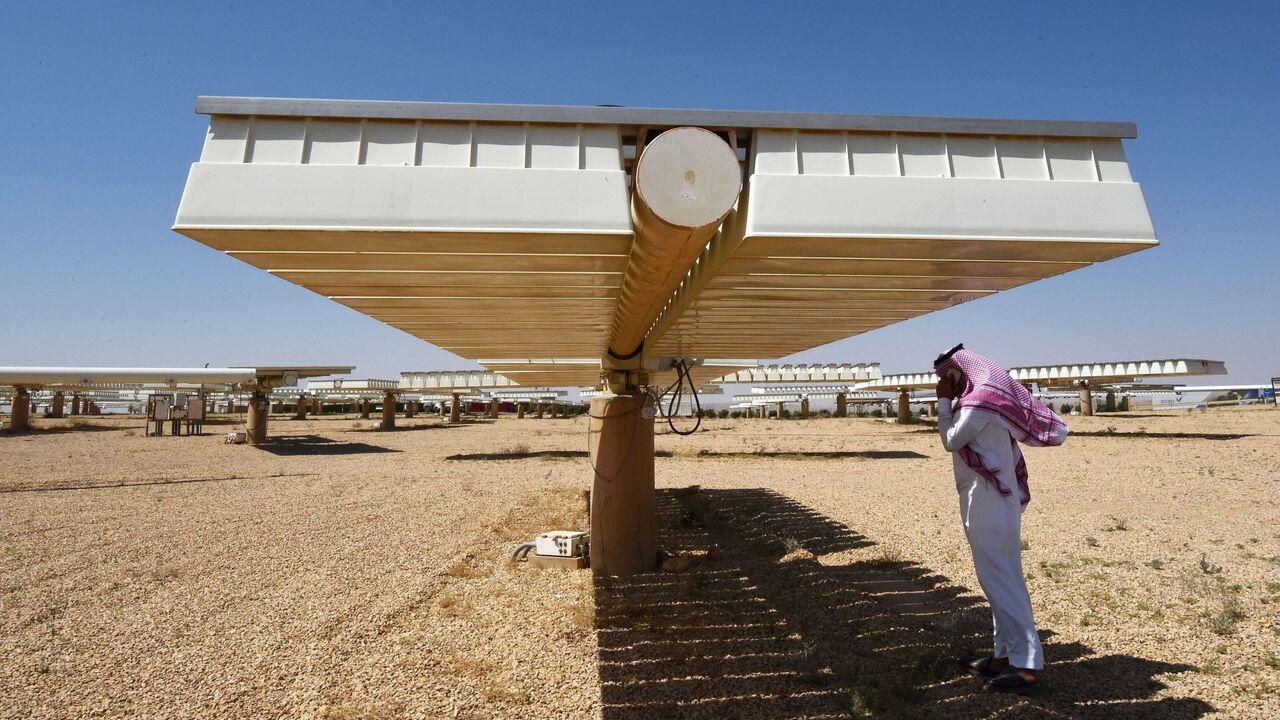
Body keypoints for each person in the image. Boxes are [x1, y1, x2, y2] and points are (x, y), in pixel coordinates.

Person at [933, 344, 1068, 693]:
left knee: (1000, 580)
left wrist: (943, 401)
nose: (944, 381)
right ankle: (1002, 657)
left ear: (960, 371)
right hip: (993, 499)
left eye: (948, 374)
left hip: (988, 501)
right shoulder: (985, 401)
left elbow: (950, 440)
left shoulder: (979, 404)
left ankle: (1026, 665)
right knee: (998, 579)